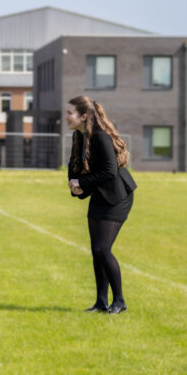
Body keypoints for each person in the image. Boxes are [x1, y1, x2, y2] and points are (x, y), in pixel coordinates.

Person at [67, 96, 136, 315]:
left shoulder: (100, 137)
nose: (67, 116)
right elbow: (74, 167)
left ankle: (120, 301)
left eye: (70, 113)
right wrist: (75, 186)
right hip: (99, 194)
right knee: (96, 250)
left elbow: (109, 171)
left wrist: (82, 183)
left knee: (102, 248)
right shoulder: (78, 136)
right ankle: (100, 302)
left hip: (118, 196)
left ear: (83, 116)